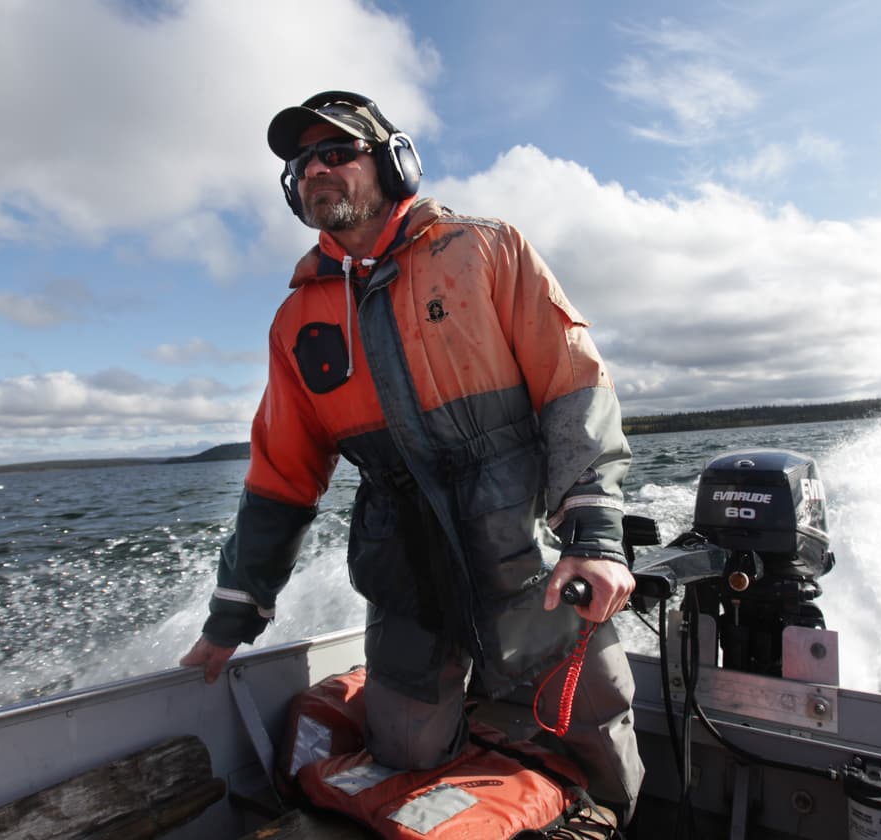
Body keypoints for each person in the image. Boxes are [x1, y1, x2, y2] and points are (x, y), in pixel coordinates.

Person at [180, 90, 645, 824]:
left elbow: (573, 387)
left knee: (594, 729)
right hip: (405, 571)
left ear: (396, 164)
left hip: (529, 558)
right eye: (302, 165)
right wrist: (231, 617)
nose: (316, 172)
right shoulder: (296, 319)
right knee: (402, 755)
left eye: (337, 153)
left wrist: (594, 537)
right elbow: (281, 479)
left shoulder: (487, 248)